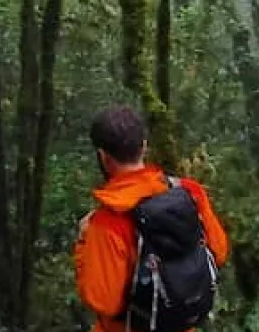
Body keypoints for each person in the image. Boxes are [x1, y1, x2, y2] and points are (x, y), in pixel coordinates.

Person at [73, 105, 230, 332]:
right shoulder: (189, 192)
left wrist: (83, 244)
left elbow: (104, 301)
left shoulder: (108, 223)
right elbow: (219, 252)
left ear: (103, 157)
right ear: (144, 147)